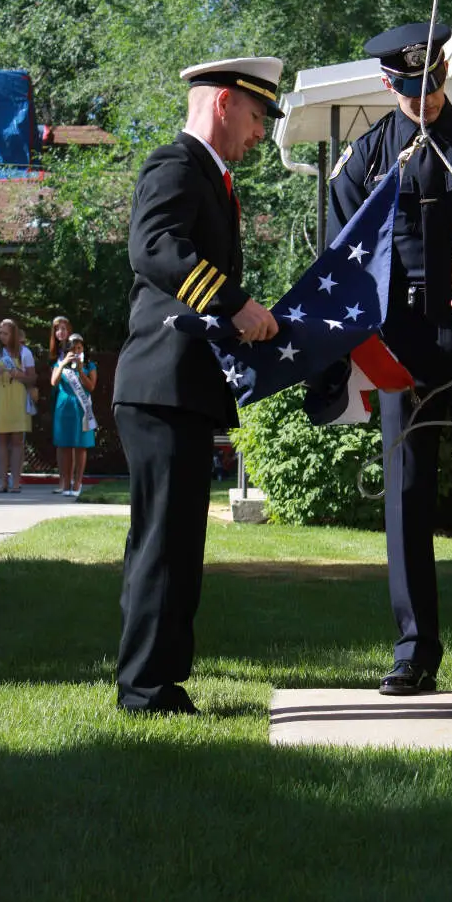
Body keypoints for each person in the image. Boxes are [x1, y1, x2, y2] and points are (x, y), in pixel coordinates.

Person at [326, 22, 452, 694]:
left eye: (433, 82)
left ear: (445, 70)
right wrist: (364, 349)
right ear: (388, 84)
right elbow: (338, 259)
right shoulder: (369, 157)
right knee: (406, 497)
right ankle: (414, 651)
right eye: (410, 88)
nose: (425, 98)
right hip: (403, 344)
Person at [113, 55, 284, 715]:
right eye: (257, 114)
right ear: (223, 105)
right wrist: (234, 303)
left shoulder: (207, 177)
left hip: (174, 385)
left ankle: (155, 679)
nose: (261, 133)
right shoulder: (178, 165)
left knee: (170, 542)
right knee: (165, 544)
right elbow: (152, 247)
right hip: (162, 382)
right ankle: (148, 691)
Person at [0, 318, 37, 493]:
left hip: (17, 397)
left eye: (5, 333)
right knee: (0, 441)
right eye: (0, 333)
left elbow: (32, 378)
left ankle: (15, 482)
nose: (2, 336)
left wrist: (19, 374)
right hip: (0, 397)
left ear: (13, 334)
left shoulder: (25, 353)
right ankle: (2, 481)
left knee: (17, 441)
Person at [51, 333, 98, 498]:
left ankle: (78, 482)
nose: (76, 351)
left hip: (81, 408)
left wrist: (80, 371)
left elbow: (91, 386)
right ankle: (66, 482)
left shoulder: (89, 366)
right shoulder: (59, 364)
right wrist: (63, 364)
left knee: (80, 446)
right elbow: (54, 382)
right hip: (64, 408)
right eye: (72, 348)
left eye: (79, 348)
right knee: (64, 446)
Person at [49, 316, 74, 492]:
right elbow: (54, 380)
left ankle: (71, 481)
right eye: (57, 329)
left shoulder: (76, 349)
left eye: (64, 328)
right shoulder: (54, 354)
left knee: (72, 442)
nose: (60, 332)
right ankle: (62, 481)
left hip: (75, 399)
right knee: (61, 442)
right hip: (60, 399)